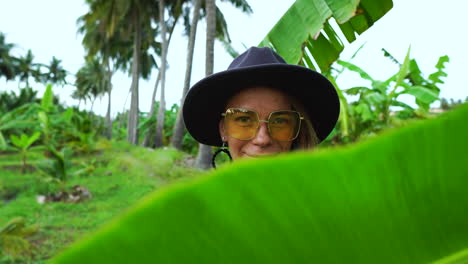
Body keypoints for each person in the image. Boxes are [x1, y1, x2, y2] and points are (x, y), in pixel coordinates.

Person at [182, 46, 340, 167]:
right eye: (244, 119)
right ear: (224, 129)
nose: (262, 139)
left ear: (296, 130)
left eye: (280, 121)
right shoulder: (202, 206)